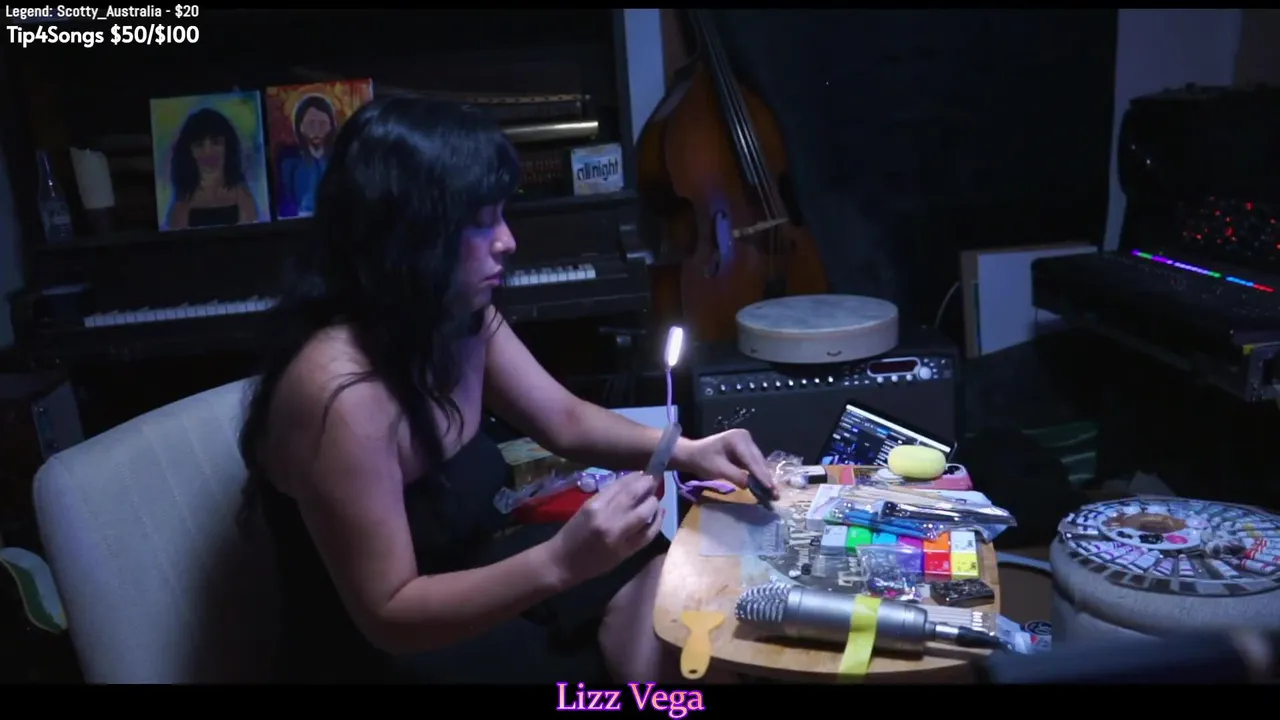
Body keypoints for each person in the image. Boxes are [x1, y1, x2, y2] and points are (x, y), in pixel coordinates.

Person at [237, 96, 777, 684]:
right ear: (409, 231)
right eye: (480, 220)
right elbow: (388, 615)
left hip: (478, 577)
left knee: (668, 583)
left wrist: (686, 450)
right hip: (391, 648)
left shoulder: (455, 316)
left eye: (502, 214)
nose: (508, 241)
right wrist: (562, 562)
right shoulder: (340, 398)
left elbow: (564, 419)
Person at [165, 107, 261, 230]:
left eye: (216, 142)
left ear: (227, 147)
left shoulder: (243, 196)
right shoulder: (182, 203)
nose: (208, 151)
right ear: (189, 151)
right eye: (199, 145)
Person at [276, 95, 338, 218]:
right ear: (300, 126)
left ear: (331, 126)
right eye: (311, 124)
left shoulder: (339, 157)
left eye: (322, 124)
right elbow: (285, 204)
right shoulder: (289, 160)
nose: (316, 130)